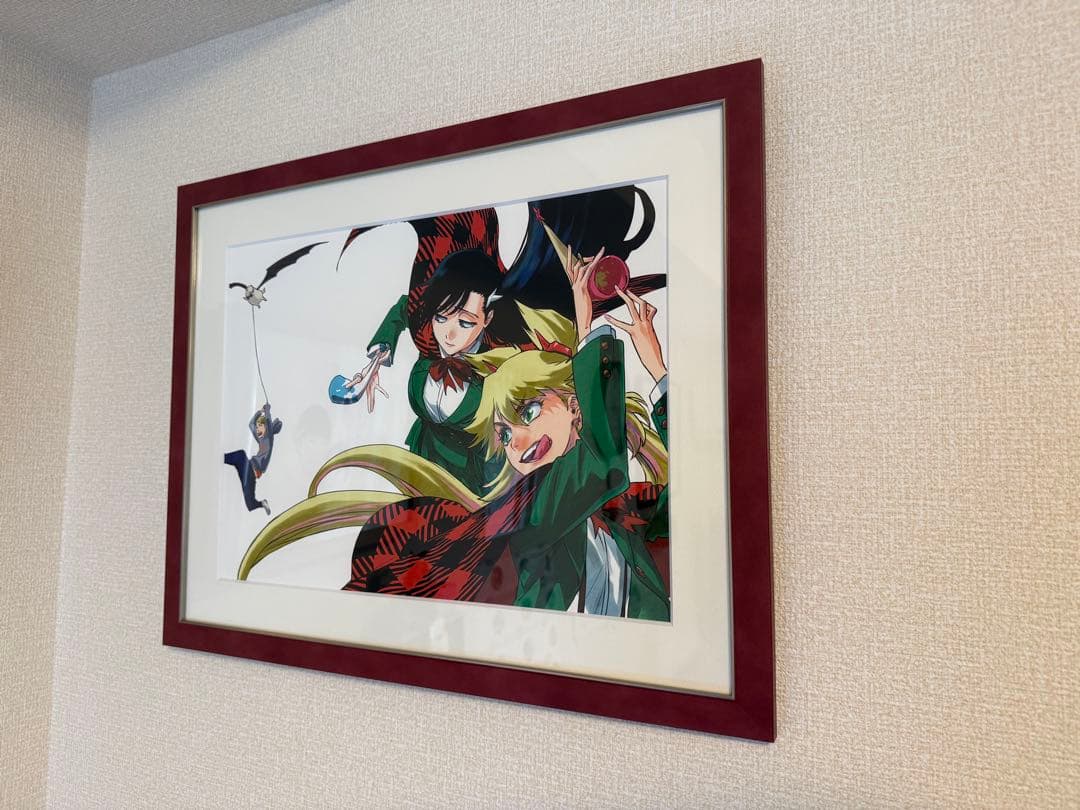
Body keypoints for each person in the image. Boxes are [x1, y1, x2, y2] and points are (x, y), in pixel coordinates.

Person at [239, 254, 671, 621]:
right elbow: (599, 461)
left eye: (528, 412)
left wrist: (657, 370)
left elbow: (678, 501)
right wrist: (381, 349)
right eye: (503, 435)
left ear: (575, 406)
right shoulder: (534, 508)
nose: (518, 443)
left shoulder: (615, 508)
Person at [349, 249, 529, 495]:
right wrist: (378, 357)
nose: (449, 335)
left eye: (465, 322)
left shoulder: (499, 368)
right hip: (421, 464)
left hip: (470, 483)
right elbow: (405, 306)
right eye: (441, 317)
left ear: (487, 318)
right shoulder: (428, 345)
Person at [223, 403, 282, 515]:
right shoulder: (262, 439)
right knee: (250, 504)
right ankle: (261, 503)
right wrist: (260, 412)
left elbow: (268, 425)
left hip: (250, 470)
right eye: (258, 426)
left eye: (260, 426)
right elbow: (251, 424)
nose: (258, 428)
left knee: (250, 504)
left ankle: (217, 457)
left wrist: (267, 410)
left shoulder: (269, 439)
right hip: (249, 469)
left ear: (267, 428)